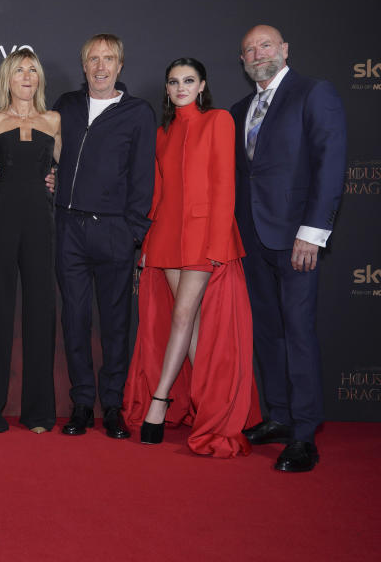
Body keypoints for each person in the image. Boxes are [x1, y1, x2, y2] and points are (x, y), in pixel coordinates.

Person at [122, 58, 261, 457]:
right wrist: (147, 241)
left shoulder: (218, 121)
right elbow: (158, 193)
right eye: (173, 82)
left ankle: (159, 401)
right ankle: (215, 407)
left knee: (183, 317)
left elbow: (224, 184)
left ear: (202, 85)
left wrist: (218, 243)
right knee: (192, 326)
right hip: (166, 235)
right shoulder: (163, 133)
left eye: (188, 81)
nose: (180, 87)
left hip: (203, 237)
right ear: (166, 89)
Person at [232, 25, 346, 472]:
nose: (257, 53)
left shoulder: (314, 93)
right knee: (268, 332)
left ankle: (304, 434)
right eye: (248, 49)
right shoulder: (241, 108)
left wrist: (313, 232)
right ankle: (277, 415)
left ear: (284, 50)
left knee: (298, 332)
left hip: (297, 239)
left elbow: (331, 164)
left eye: (265, 45)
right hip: (252, 239)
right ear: (241, 61)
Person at [53, 33, 156, 440]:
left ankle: (112, 405)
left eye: (108, 58)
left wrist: (133, 231)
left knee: (115, 324)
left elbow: (144, 177)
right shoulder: (66, 106)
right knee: (75, 320)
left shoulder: (138, 113)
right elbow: (47, 153)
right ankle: (82, 404)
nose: (100, 66)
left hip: (115, 230)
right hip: (69, 230)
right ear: (83, 65)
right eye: (93, 59)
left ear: (120, 65)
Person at [0, 48, 61, 434]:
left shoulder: (54, 120)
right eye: (19, 71)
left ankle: (39, 412)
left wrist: (55, 180)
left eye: (33, 70)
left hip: (40, 223)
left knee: (42, 310)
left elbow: (56, 171)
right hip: (1, 218)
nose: (27, 77)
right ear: (6, 79)